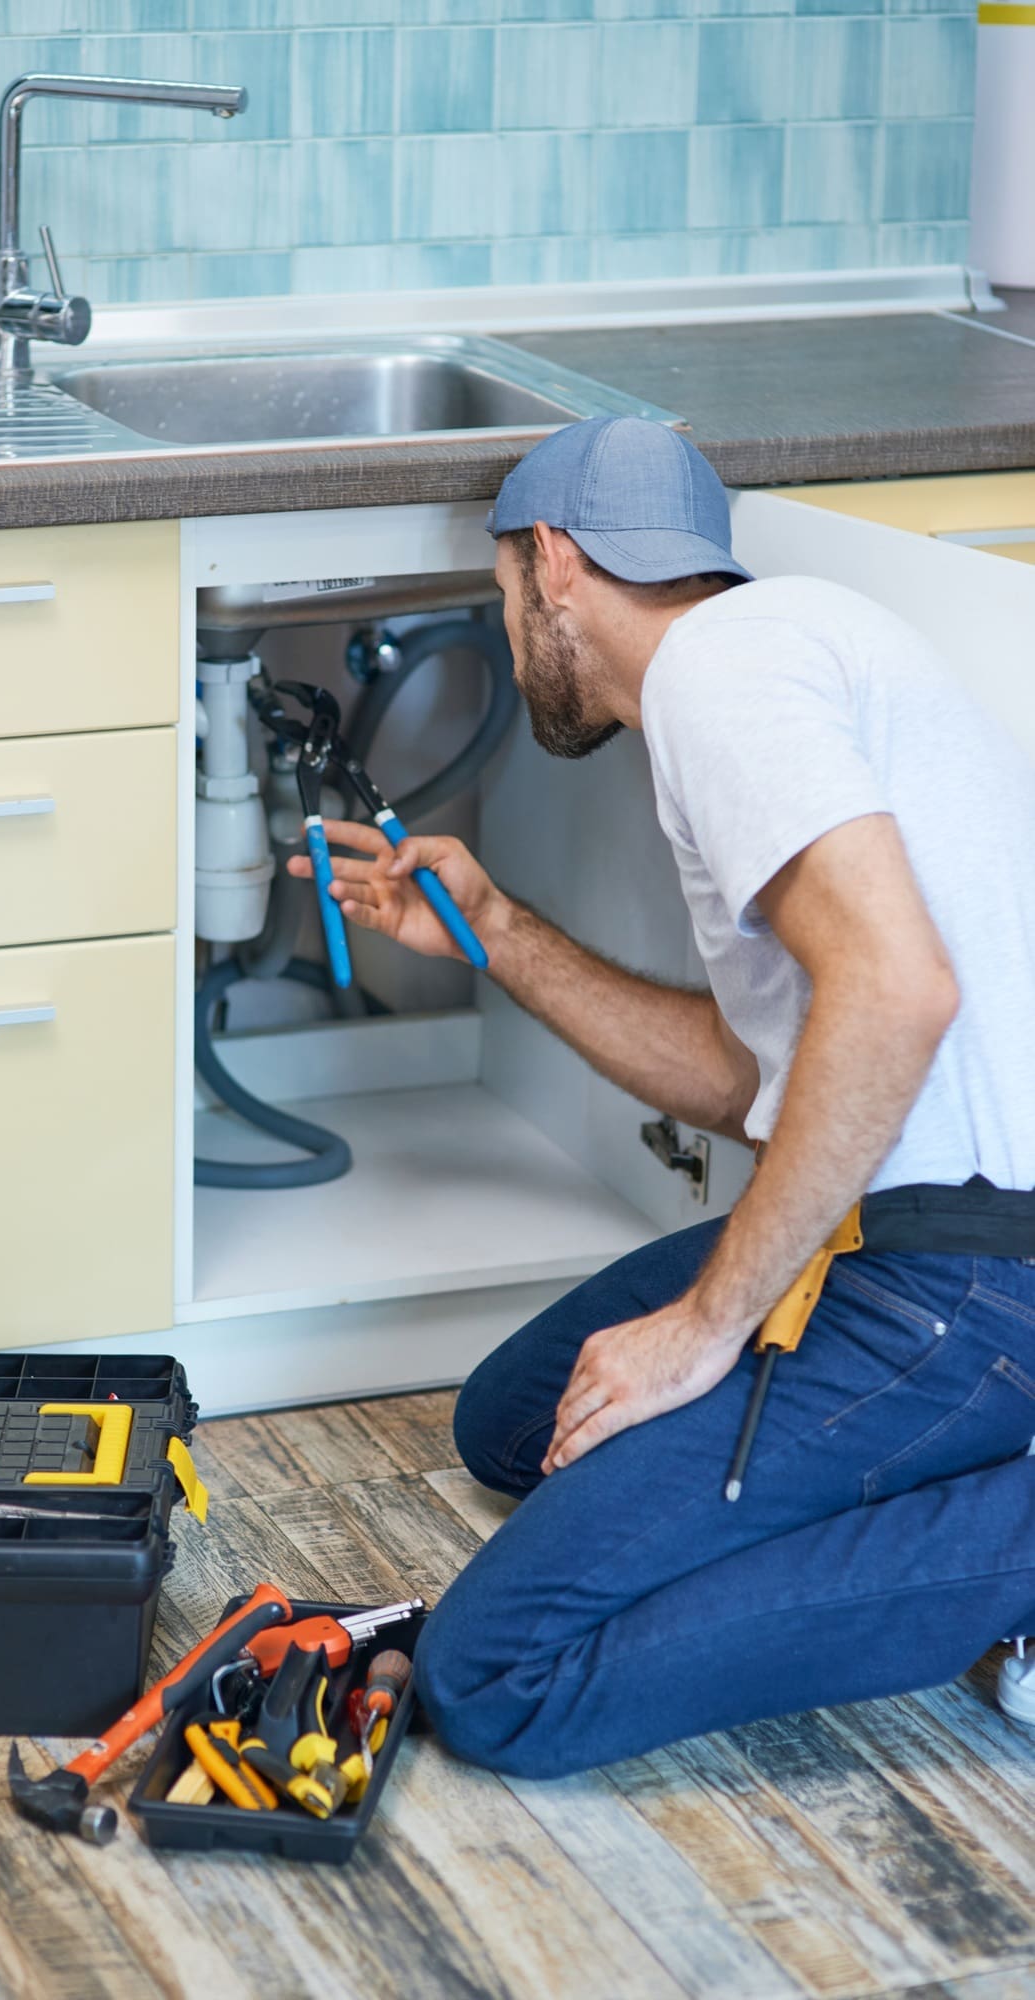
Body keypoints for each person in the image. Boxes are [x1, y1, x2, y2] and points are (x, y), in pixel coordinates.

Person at [290, 414, 1035, 1777]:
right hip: (903, 1230)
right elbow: (765, 1080)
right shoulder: (777, 656)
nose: (514, 639)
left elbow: (896, 992)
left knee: (496, 1681)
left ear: (554, 565)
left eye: (505, 597)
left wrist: (707, 1322)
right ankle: (909, 1464)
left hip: (966, 1284)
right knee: (517, 1419)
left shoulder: (722, 668)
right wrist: (495, 934)